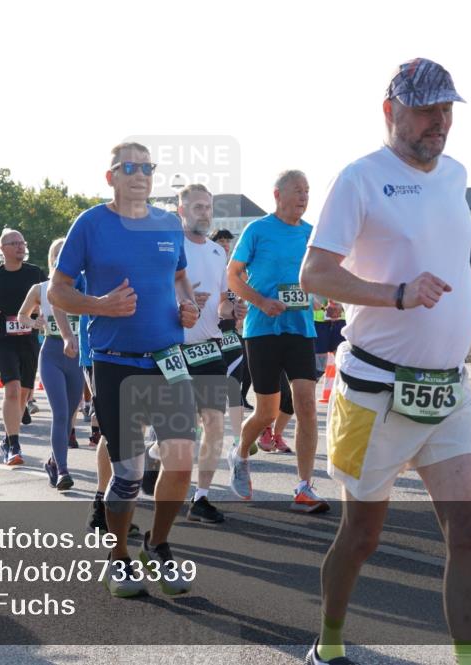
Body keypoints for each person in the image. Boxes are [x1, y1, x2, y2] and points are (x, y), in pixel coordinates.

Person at [299, 58, 471, 665]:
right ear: (390, 112)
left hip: (448, 390)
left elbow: (446, 258)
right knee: (362, 536)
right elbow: (315, 274)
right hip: (375, 391)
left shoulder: (456, 174)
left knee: (470, 532)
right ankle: (329, 642)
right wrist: (396, 294)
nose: (439, 121)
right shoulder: (359, 178)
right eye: (425, 110)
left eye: (446, 109)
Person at [49, 141, 199, 598]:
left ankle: (158, 545)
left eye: (147, 167)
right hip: (116, 362)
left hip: (169, 359)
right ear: (111, 176)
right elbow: (58, 291)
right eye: (129, 167)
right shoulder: (91, 223)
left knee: (181, 462)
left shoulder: (169, 223)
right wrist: (99, 305)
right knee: (129, 472)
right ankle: (118, 558)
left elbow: (178, 276)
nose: (140, 174)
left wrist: (188, 304)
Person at [226, 169, 327, 512]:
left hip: (300, 329)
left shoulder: (312, 234)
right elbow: (233, 276)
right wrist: (261, 301)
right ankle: (240, 453)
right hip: (262, 330)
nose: (304, 196)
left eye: (307, 190)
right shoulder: (257, 230)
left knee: (306, 404)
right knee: (266, 411)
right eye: (297, 190)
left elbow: (319, 278)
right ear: (277, 194)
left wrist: (325, 299)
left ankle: (304, 486)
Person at [176, 184, 233, 524]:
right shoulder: (171, 246)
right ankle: (154, 453)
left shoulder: (216, 251)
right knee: (179, 428)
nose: (204, 213)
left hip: (210, 347)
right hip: (174, 348)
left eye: (208, 207)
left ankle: (201, 497)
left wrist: (232, 310)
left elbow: (222, 301)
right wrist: (181, 302)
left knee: (214, 423)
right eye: (197, 207)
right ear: (181, 210)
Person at [18, 239, 84, 490]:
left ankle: (53, 462)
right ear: (51, 259)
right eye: (57, 253)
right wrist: (34, 322)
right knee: (60, 413)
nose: (62, 257)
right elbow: (22, 315)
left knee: (70, 415)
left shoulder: (82, 284)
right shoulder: (41, 288)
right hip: (52, 353)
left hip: (76, 356)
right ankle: (63, 470)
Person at [0, 229, 46, 465]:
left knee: (24, 393)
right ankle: (14, 444)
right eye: (14, 243)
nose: (20, 247)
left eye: (22, 243)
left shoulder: (35, 273)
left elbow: (48, 296)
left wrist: (41, 313)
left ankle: (8, 439)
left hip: (29, 339)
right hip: (2, 339)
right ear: (2, 249)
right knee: (13, 389)